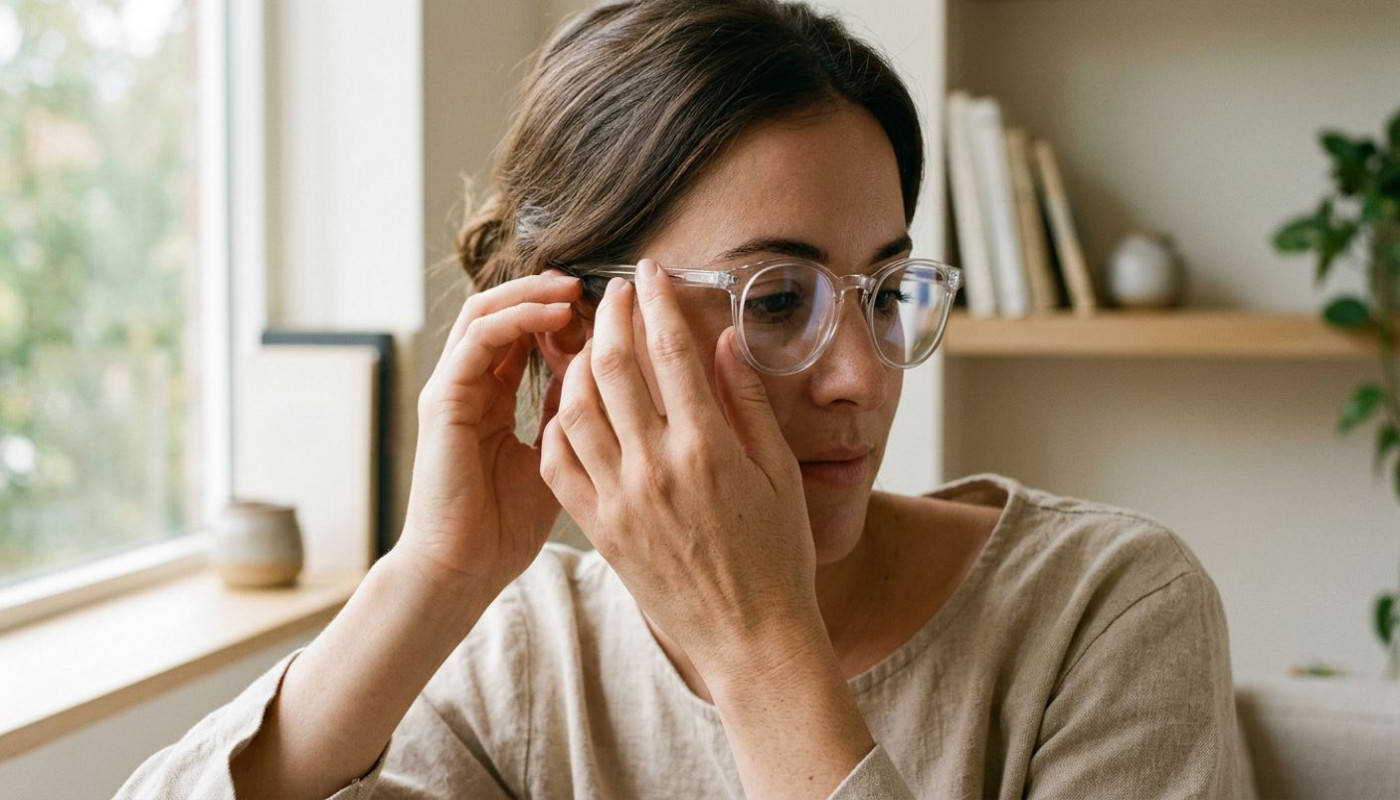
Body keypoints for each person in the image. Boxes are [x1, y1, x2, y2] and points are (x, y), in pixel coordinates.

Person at [118, 1, 1252, 797]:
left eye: (884, 290)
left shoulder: (1105, 607)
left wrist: (760, 645)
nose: (863, 373)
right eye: (773, 299)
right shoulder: (527, 654)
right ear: (576, 326)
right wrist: (430, 576)